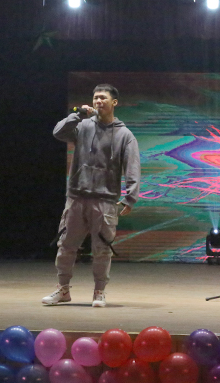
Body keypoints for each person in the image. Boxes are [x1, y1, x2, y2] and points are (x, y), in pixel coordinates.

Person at [42, 84, 140, 307]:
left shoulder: (125, 135)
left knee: (102, 249)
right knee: (66, 245)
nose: (98, 101)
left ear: (114, 102)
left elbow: (132, 167)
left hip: (105, 200)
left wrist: (130, 197)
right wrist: (77, 115)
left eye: (103, 98)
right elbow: (58, 132)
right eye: (96, 98)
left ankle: (99, 292)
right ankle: (63, 289)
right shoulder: (83, 126)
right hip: (77, 197)